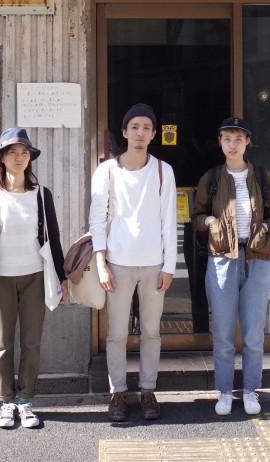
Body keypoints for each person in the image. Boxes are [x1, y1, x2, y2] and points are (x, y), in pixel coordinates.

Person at [0, 128, 68, 430]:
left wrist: (62, 278)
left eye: (24, 152)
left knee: (31, 342)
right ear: (1, 158)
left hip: (35, 278)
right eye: (12, 152)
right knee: (2, 344)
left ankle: (26, 401)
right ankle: (6, 401)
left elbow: (53, 238)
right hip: (0, 281)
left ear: (30, 158)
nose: (18, 157)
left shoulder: (41, 195)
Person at [191, 117, 270, 416]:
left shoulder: (263, 177)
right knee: (223, 332)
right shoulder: (212, 178)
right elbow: (197, 215)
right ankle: (224, 390)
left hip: (257, 258)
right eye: (227, 139)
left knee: (254, 332)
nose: (232, 144)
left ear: (247, 143)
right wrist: (209, 222)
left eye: (238, 139)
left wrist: (268, 226)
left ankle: (250, 389)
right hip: (221, 258)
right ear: (219, 142)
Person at [90, 103, 177, 422]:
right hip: (117, 263)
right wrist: (100, 263)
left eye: (146, 128)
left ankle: (148, 390)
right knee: (116, 333)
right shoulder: (107, 170)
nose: (140, 133)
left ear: (154, 134)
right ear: (124, 132)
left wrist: (170, 265)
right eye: (134, 127)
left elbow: (169, 219)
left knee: (152, 332)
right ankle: (117, 392)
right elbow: (97, 219)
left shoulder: (162, 170)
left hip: (154, 263)